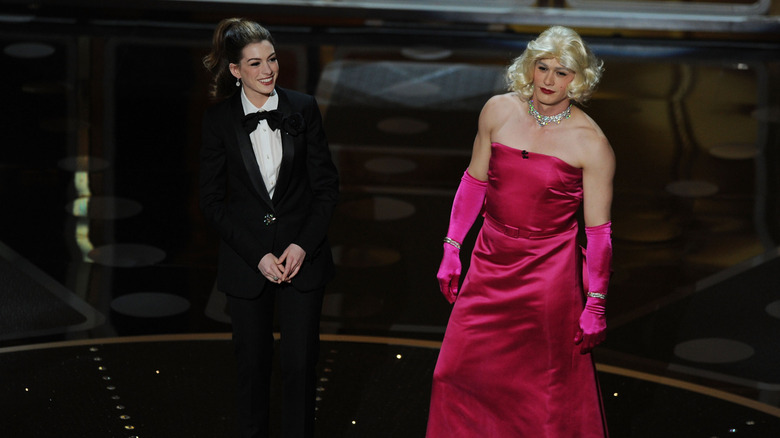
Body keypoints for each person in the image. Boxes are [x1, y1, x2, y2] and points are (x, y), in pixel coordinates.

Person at [427, 26, 613, 437]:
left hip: (548, 275)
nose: (548, 80)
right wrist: (452, 246)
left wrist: (596, 300)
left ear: (578, 79)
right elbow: (475, 182)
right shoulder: (498, 110)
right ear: (529, 67)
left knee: (539, 393)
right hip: (489, 262)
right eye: (542, 67)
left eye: (561, 72)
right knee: (452, 374)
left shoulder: (591, 144)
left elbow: (598, 233)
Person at [199, 18, 339, 438]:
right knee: (252, 368)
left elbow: (326, 188)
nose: (268, 70)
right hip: (248, 263)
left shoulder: (303, 108)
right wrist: (257, 254)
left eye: (273, 59)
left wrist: (301, 245)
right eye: (255, 63)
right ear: (235, 70)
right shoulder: (218, 120)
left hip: (303, 259)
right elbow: (210, 202)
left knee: (300, 366)